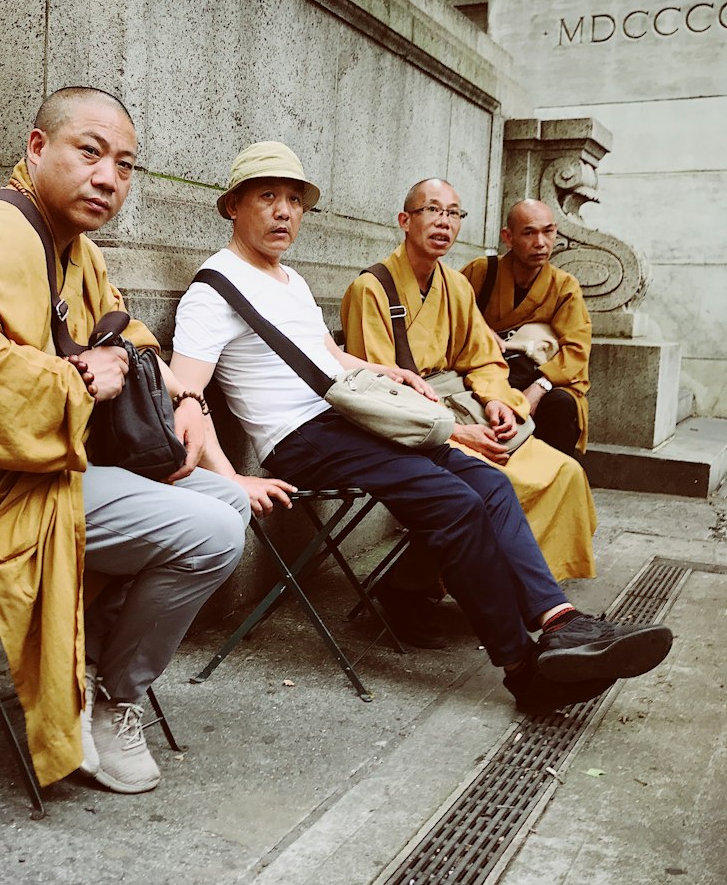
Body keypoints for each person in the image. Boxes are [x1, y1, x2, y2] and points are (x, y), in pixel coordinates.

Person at [169, 142, 672, 716]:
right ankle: (523, 670)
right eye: (268, 197)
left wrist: (390, 372)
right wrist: (233, 479)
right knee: (455, 502)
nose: (285, 212)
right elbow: (186, 394)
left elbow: (329, 355)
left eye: (294, 200)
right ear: (233, 206)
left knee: (490, 484)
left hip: (346, 418)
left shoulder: (290, 280)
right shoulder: (215, 288)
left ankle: (562, 622)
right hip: (300, 440)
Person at [0, 86, 249, 795]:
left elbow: (125, 327)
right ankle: (117, 695)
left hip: (61, 469)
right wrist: (76, 382)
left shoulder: (76, 249)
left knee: (227, 502)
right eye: (89, 152)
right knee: (215, 530)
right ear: (37, 148)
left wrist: (177, 392)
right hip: (0, 496)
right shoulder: (0, 230)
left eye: (124, 165)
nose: (107, 178)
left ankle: (93, 669)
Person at [340, 179, 597, 648]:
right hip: (406, 421)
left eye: (454, 213)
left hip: (458, 406)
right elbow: (375, 390)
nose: (443, 222)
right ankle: (411, 590)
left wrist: (497, 398)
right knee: (494, 484)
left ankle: (524, 596)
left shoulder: (455, 285)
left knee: (562, 472)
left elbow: (483, 357)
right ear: (405, 220)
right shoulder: (370, 289)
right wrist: (458, 433)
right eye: (431, 210)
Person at [461, 198, 591, 456]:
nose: (541, 242)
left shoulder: (564, 286)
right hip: (487, 372)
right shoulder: (481, 272)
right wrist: (482, 329)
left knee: (563, 405)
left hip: (540, 376)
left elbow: (576, 350)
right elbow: (451, 312)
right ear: (508, 237)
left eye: (548, 231)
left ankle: (554, 483)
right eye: (529, 232)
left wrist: (539, 388)